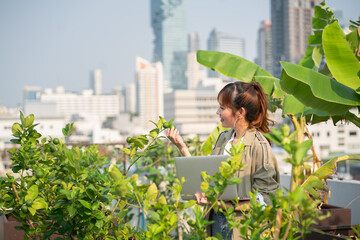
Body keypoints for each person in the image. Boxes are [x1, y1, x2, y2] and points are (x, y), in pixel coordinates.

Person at [167, 81, 280, 239]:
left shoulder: (259, 146)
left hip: (242, 230)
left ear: (240, 112)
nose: (217, 112)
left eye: (222, 108)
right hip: (217, 223)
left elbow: (265, 199)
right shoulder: (224, 138)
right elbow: (205, 176)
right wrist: (182, 147)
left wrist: (224, 205)